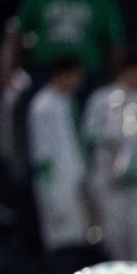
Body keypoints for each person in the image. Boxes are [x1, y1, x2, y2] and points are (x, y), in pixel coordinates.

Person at [4, 0, 123, 84]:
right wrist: (8, 70)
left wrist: (116, 76)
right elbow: (17, 32)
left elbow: (115, 41)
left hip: (87, 74)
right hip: (44, 71)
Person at [83, 57, 137, 261]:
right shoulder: (101, 98)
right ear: (128, 71)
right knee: (113, 236)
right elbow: (89, 132)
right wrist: (112, 135)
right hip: (108, 178)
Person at [27, 58, 91, 252]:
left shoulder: (67, 102)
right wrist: (53, 199)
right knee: (62, 244)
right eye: (76, 76)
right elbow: (42, 157)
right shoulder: (43, 106)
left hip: (75, 182)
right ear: (61, 75)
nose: (79, 82)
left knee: (78, 242)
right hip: (57, 187)